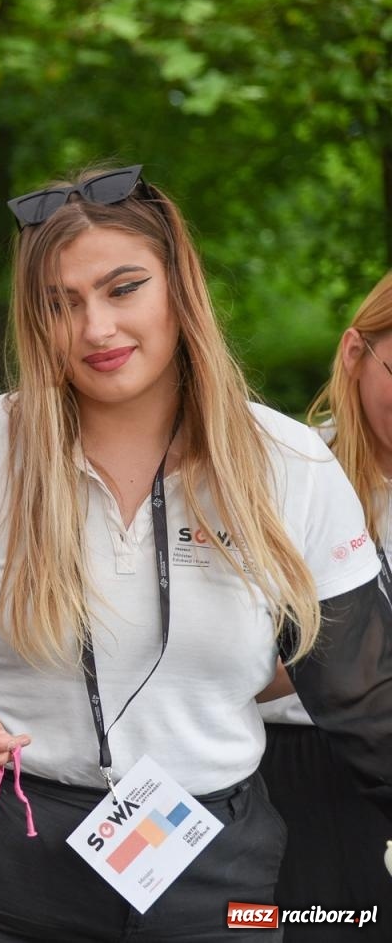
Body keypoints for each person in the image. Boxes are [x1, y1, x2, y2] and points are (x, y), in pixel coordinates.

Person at [0, 164, 392, 942]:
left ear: (180, 288)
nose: (96, 329)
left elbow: (369, 695)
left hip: (212, 865)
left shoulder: (290, 464)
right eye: (59, 304)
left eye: (123, 288)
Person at [257, 271, 392, 939]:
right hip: (288, 769)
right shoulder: (284, 475)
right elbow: (216, 665)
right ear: (354, 353)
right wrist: (342, 654)